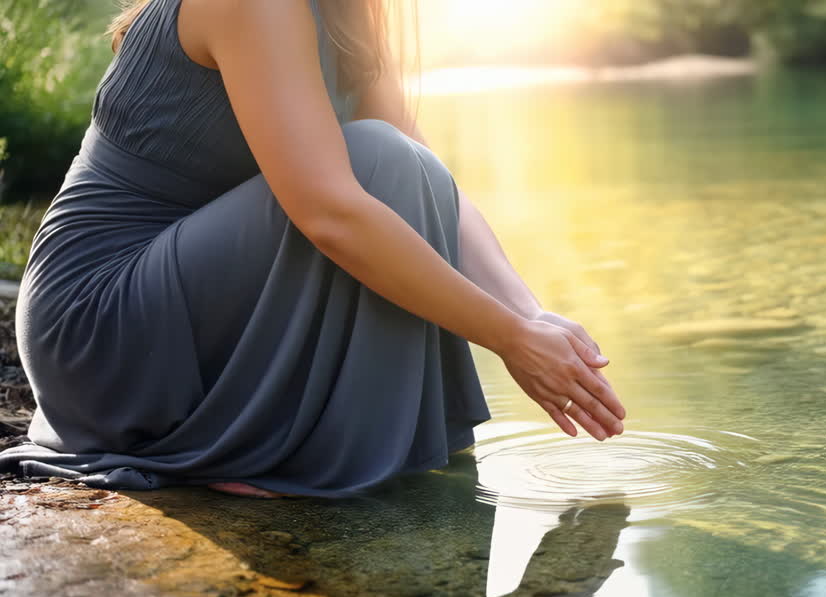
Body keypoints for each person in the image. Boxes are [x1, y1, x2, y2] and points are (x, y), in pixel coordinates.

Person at [0, 0, 626, 498]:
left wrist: (529, 314)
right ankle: (264, 446)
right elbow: (331, 213)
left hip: (193, 289)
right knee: (375, 160)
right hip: (101, 320)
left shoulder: (354, 10)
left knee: (404, 165)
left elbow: (431, 177)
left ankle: (300, 440)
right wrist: (509, 340)